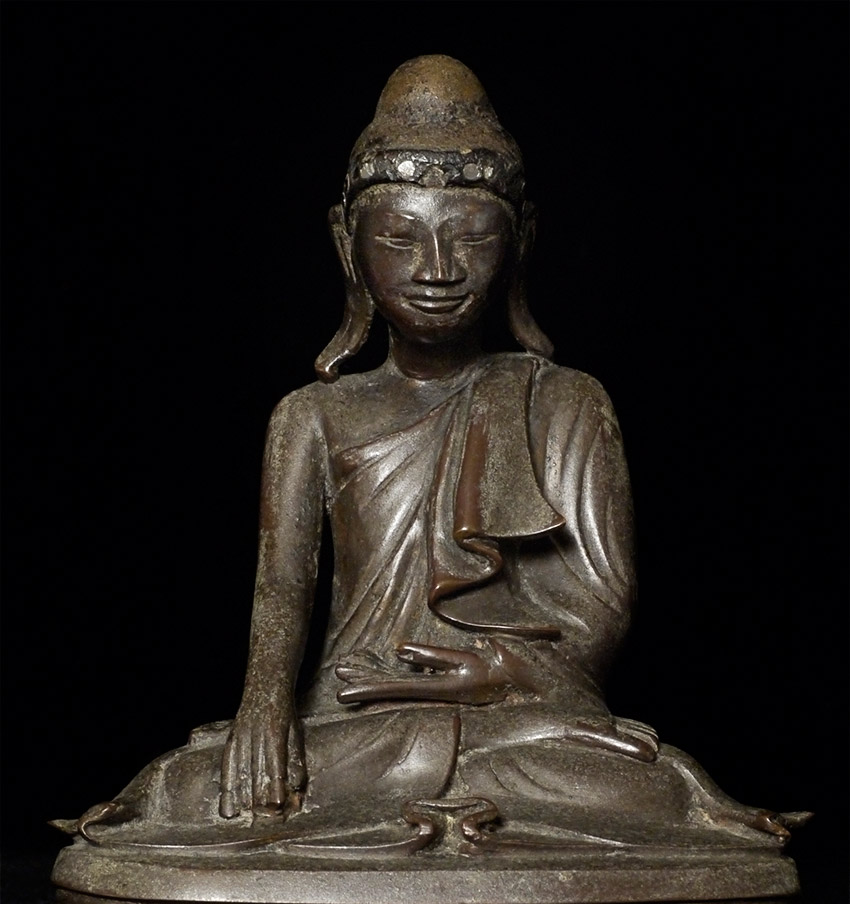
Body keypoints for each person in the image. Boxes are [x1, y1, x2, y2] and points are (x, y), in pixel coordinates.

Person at [67, 57, 795, 853]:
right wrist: (265, 711)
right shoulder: (311, 415)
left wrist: (496, 673)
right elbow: (281, 590)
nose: (437, 269)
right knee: (189, 784)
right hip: (352, 726)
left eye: (472, 236)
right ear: (347, 245)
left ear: (520, 242)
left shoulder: (567, 403)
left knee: (649, 783)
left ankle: (422, 803)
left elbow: (600, 608)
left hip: (514, 727)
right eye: (400, 238)